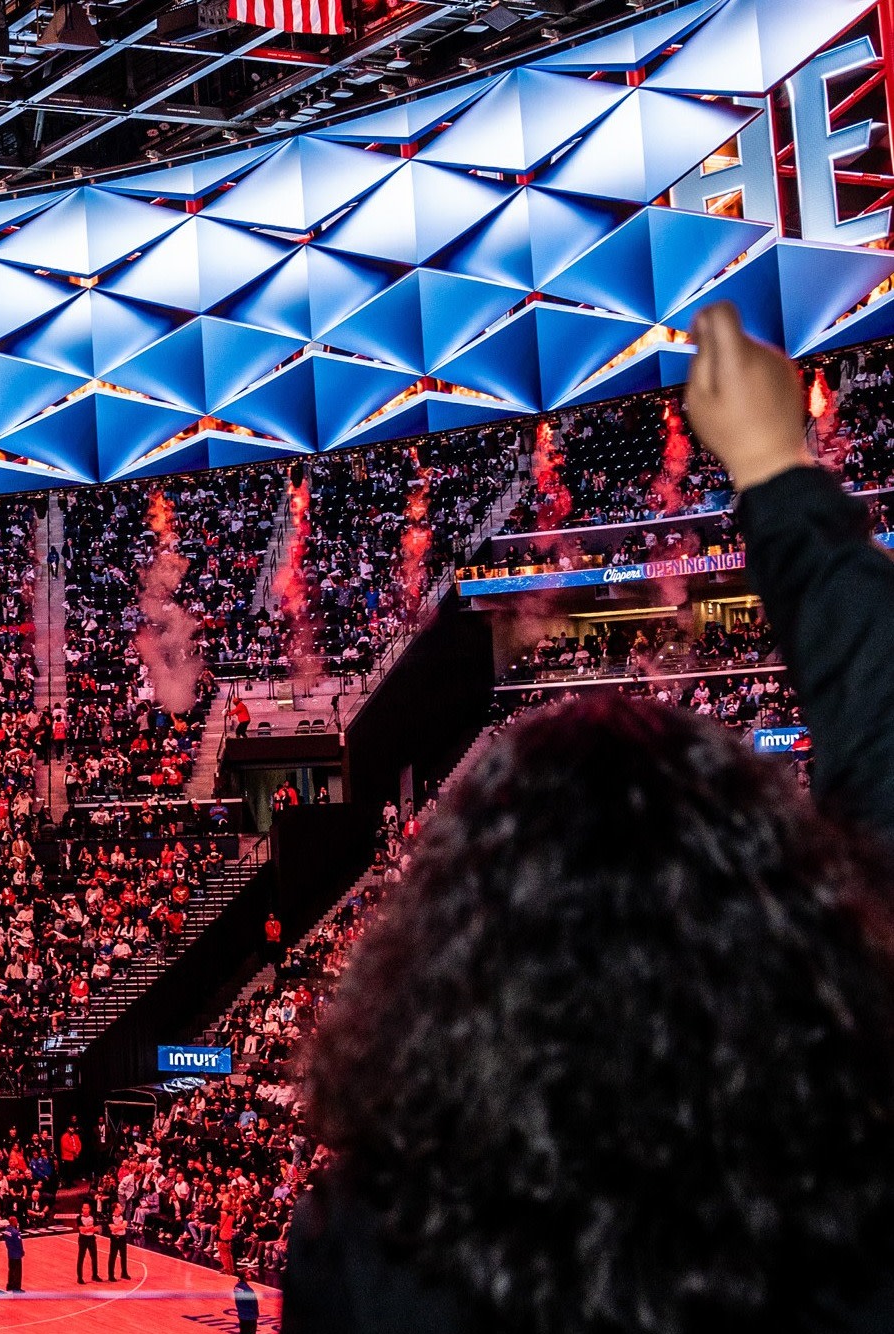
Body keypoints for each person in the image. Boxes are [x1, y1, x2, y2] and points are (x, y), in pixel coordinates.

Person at [282, 308, 894, 1334]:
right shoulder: (856, 1180)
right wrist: (777, 473)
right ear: (760, 906)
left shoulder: (370, 1248)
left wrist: (773, 474)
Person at [106, 1203, 131, 1281]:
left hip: (123, 1238)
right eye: (119, 1206)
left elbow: (124, 1225)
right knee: (112, 1257)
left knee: (123, 1256)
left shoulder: (123, 1215)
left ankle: (124, 1273)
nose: (121, 1207)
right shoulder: (110, 1217)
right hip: (114, 1239)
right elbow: (112, 1229)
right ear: (115, 1208)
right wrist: (120, 1227)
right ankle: (111, 1275)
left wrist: (117, 1227)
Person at [75, 1204, 99, 1284]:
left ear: (89, 1209)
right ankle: (80, 1277)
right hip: (83, 1239)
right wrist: (90, 1228)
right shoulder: (79, 1218)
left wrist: (87, 1229)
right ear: (82, 1209)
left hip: (91, 1238)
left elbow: (97, 1228)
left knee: (94, 1257)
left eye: (87, 1208)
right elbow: (82, 1229)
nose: (85, 1209)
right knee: (81, 1258)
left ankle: (95, 1275)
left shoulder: (93, 1217)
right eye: (84, 1208)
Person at [2, 1218, 24, 1294]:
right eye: (16, 1221)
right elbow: (19, 1244)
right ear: (14, 1222)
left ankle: (9, 1286)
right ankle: (16, 1288)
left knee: (11, 1270)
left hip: (10, 1253)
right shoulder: (15, 1232)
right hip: (16, 1255)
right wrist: (21, 1252)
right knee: (17, 1272)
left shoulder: (6, 1230)